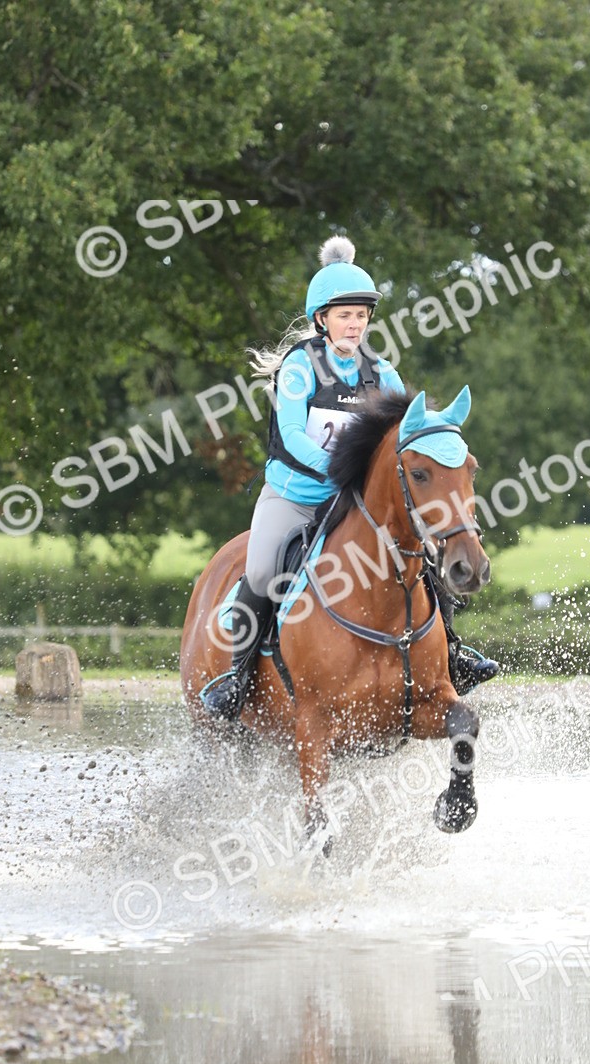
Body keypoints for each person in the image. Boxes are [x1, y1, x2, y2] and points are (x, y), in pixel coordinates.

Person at [203, 236, 499, 720]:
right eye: (345, 315)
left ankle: (455, 654)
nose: (354, 324)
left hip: (357, 502)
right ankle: (235, 676)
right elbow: (294, 435)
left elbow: (409, 438)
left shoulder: (382, 373)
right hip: (295, 495)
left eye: (361, 315)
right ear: (321, 319)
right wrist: (340, 469)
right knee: (260, 571)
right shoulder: (300, 367)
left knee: (421, 559)